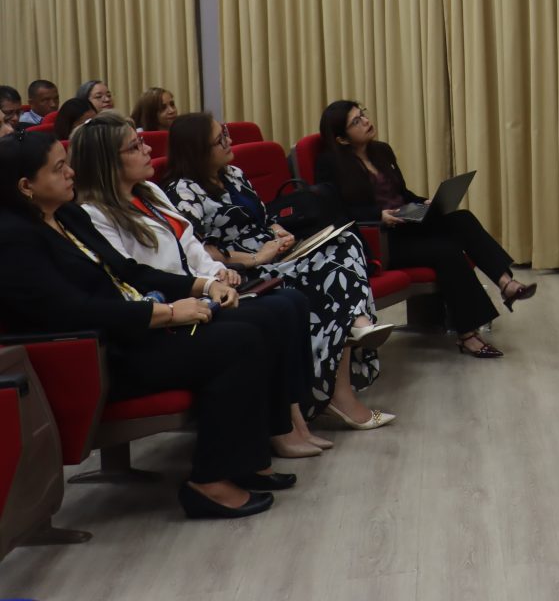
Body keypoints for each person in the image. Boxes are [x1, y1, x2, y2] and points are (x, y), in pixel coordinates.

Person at [0, 130, 293, 519]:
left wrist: (203, 285)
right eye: (59, 168)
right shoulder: (14, 239)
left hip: (132, 330)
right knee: (238, 342)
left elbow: (127, 271)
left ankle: (246, 462)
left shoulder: (67, 214)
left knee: (255, 322)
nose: (71, 172)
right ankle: (209, 483)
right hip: (97, 356)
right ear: (26, 186)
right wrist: (168, 314)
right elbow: (73, 312)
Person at [68, 112, 333, 455]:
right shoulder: (95, 214)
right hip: (171, 307)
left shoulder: (149, 192)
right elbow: (136, 275)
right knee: (274, 314)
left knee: (291, 302)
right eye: (135, 146)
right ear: (108, 161)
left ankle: (296, 421)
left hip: (202, 290)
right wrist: (205, 286)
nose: (148, 149)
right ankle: (278, 430)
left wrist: (217, 275)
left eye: (142, 141)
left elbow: (190, 244)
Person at [165, 113, 396, 430]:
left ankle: (355, 329)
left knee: (344, 241)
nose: (229, 142)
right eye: (220, 139)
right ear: (197, 150)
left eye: (226, 133)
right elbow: (197, 250)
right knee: (328, 278)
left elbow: (263, 217)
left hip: (274, 253)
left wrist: (278, 232)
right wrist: (254, 257)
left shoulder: (233, 173)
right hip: (240, 269)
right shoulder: (182, 192)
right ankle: (344, 369)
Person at [314, 100, 536, 359]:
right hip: (381, 240)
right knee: (446, 250)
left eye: (362, 114)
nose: (365, 121)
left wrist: (423, 204)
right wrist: (378, 216)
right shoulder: (329, 164)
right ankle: (468, 335)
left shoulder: (381, 151)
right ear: (341, 139)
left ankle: (506, 283)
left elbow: (402, 194)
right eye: (356, 121)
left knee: (462, 219)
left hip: (406, 225)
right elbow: (334, 211)